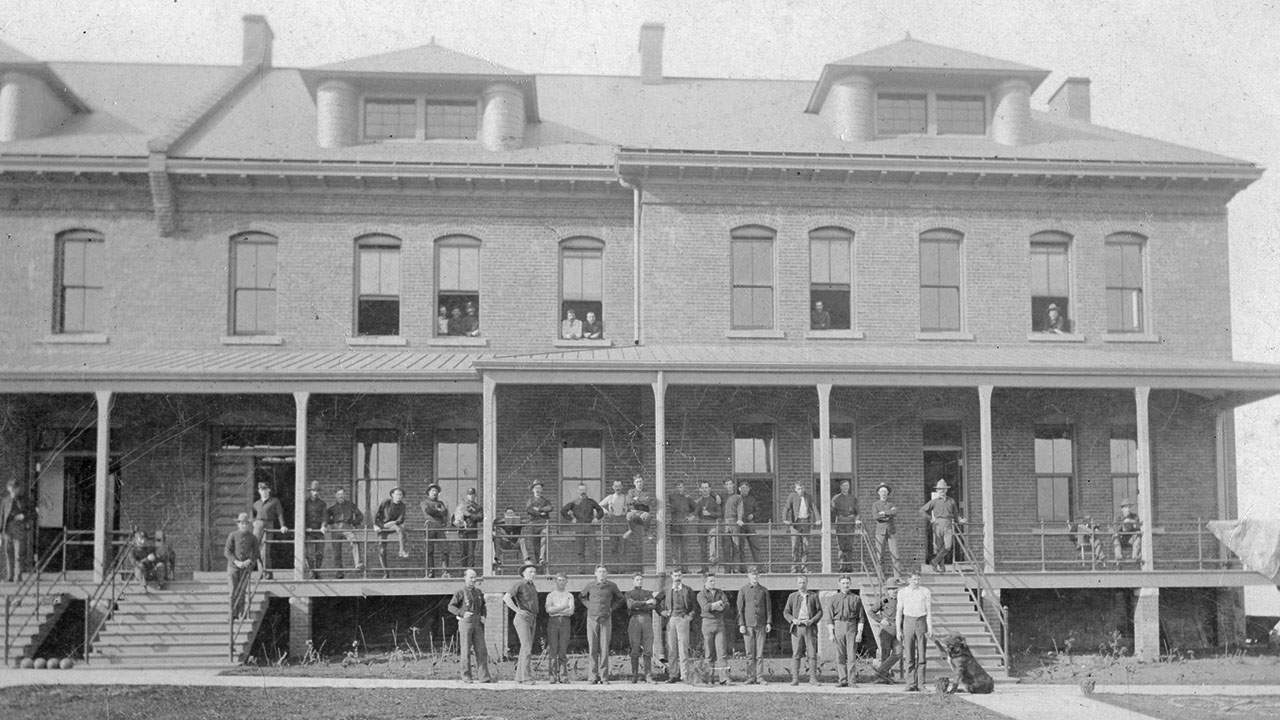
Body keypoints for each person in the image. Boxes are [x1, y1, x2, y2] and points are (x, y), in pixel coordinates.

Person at [580, 565, 625, 684]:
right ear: (595, 573)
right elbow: (582, 597)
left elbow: (621, 598)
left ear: (607, 574)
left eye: (604, 572)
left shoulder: (612, 585)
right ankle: (593, 677)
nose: (602, 574)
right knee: (592, 648)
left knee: (604, 648)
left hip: (606, 619)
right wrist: (589, 606)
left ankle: (604, 677)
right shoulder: (590, 585)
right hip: (592, 619)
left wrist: (611, 608)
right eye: (599, 571)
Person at [448, 568, 492, 683]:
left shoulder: (478, 592)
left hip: (478, 623)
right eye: (471, 577)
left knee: (481, 649)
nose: (473, 580)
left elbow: (483, 606)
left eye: (475, 577)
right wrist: (462, 613)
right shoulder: (460, 592)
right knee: (466, 650)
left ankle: (484, 677)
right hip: (466, 622)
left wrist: (483, 615)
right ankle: (466, 676)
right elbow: (451, 606)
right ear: (465, 578)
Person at [896, 572, 934, 692]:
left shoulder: (925, 591)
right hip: (908, 622)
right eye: (914, 580)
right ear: (908, 580)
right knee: (909, 654)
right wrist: (898, 630)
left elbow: (929, 611)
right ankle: (910, 683)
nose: (916, 582)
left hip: (921, 621)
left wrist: (930, 628)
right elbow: (899, 612)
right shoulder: (902, 592)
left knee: (922, 654)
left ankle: (921, 684)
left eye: (918, 579)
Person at [502, 563, 540, 684]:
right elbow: (506, 598)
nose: (533, 574)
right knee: (527, 647)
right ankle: (526, 678)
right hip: (523, 618)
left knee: (525, 648)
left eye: (534, 572)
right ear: (523, 573)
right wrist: (517, 610)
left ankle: (519, 677)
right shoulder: (519, 584)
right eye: (530, 572)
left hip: (532, 618)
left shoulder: (532, 586)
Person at [828, 575, 868, 687]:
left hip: (851, 626)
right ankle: (842, 680)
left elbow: (861, 618)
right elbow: (829, 617)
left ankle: (852, 681)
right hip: (838, 625)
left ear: (850, 584)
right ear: (839, 584)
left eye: (847, 583)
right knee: (840, 654)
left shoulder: (856, 598)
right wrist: (831, 633)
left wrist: (859, 632)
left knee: (851, 655)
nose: (845, 585)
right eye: (843, 583)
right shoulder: (833, 598)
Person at [784, 574, 824, 685]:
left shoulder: (813, 596)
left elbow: (820, 611)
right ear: (797, 584)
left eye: (804, 582)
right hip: (797, 629)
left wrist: (812, 620)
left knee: (812, 654)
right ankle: (795, 679)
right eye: (800, 582)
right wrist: (793, 620)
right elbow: (786, 612)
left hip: (809, 628)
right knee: (796, 653)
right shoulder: (792, 596)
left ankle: (813, 679)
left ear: (807, 583)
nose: (802, 585)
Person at [919, 479, 965, 573]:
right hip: (937, 525)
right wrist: (930, 518)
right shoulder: (934, 501)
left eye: (943, 489)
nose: (941, 491)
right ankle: (941, 567)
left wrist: (960, 520)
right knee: (939, 547)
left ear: (946, 490)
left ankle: (934, 561)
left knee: (948, 546)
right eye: (939, 489)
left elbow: (956, 515)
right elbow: (922, 510)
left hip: (948, 524)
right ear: (937, 490)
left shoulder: (951, 501)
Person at [662, 568, 698, 684]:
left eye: (679, 575)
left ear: (682, 577)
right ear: (671, 576)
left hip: (683, 619)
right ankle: (673, 674)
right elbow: (656, 601)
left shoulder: (688, 590)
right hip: (671, 619)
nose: (677, 578)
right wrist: (663, 612)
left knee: (683, 648)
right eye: (675, 575)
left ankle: (684, 675)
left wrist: (690, 616)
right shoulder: (667, 589)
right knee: (671, 648)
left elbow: (694, 606)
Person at [736, 568, 771, 684]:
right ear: (748, 576)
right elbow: (740, 610)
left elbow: (768, 608)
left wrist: (768, 622)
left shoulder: (764, 590)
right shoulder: (743, 590)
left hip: (761, 625)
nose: (754, 577)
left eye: (756, 575)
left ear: (759, 576)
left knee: (759, 654)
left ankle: (760, 677)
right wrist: (741, 624)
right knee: (749, 653)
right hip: (748, 626)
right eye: (752, 575)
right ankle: (750, 677)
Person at [561, 483, 604, 573]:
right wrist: (571, 519)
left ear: (586, 490)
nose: (582, 492)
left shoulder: (591, 501)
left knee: (593, 549)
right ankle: (581, 570)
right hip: (579, 527)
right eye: (580, 490)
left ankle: (595, 569)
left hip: (590, 527)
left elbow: (600, 511)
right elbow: (563, 511)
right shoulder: (574, 502)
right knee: (580, 549)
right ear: (578, 491)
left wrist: (596, 518)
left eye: (584, 490)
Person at [625, 572, 660, 682]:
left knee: (648, 648)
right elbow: (631, 605)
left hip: (647, 620)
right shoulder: (629, 593)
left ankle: (648, 675)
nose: (639, 581)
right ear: (633, 581)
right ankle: (634, 675)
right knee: (634, 647)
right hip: (634, 620)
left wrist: (640, 605)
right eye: (637, 579)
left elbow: (653, 605)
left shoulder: (648, 593)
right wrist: (645, 603)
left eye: (641, 579)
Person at [697, 572, 731, 685]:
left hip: (719, 623)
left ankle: (724, 678)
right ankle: (708, 678)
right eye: (710, 581)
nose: (713, 583)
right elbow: (706, 607)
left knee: (722, 652)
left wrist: (720, 606)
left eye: (714, 580)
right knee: (709, 653)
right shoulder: (701, 594)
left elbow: (726, 605)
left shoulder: (720, 592)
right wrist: (717, 604)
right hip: (707, 623)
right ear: (705, 582)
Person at [224, 512, 259, 619]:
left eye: (246, 523)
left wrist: (249, 560)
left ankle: (241, 613)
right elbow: (227, 551)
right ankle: (232, 614)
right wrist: (236, 562)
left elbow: (256, 553)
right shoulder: (233, 535)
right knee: (233, 591)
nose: (244, 525)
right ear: (238, 524)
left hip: (245, 567)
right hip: (233, 567)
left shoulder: (253, 537)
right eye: (242, 523)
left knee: (242, 591)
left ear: (248, 525)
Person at [870, 577, 904, 684]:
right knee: (885, 654)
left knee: (899, 652)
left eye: (895, 588)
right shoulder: (884, 600)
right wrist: (880, 620)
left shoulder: (902, 600)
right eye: (891, 589)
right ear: (888, 590)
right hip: (886, 631)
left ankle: (880, 671)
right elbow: (871, 612)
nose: (894, 591)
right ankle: (883, 678)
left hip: (898, 631)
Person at [324, 488, 365, 577]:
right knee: (336, 551)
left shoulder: (350, 505)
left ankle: (358, 563)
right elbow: (326, 518)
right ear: (336, 496)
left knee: (354, 541)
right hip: (336, 529)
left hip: (347, 527)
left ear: (345, 495)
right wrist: (330, 523)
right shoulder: (332, 508)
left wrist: (353, 522)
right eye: (339, 494)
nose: (341, 496)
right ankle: (339, 572)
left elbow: (360, 516)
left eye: (342, 494)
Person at [251, 482, 288, 579]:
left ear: (269, 490)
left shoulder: (274, 501)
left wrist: (282, 525)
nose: (263, 491)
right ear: (259, 491)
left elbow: (279, 513)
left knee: (265, 551)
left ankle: (267, 574)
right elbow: (252, 514)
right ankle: (261, 573)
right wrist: (254, 521)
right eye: (261, 490)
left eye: (265, 489)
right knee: (256, 549)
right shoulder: (256, 503)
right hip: (258, 526)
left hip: (268, 525)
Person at [783, 481, 821, 573]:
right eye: (799, 489)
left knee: (805, 546)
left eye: (802, 488)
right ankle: (794, 567)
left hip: (806, 523)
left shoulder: (808, 497)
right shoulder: (792, 496)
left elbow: (814, 507)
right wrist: (784, 519)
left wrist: (818, 519)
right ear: (795, 489)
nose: (801, 490)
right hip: (796, 524)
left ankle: (804, 567)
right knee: (795, 546)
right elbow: (786, 508)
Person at [545, 572, 575, 683]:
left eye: (563, 580)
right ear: (555, 581)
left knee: (563, 649)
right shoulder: (551, 595)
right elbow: (549, 610)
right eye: (559, 580)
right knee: (553, 649)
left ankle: (563, 676)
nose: (561, 582)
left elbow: (570, 611)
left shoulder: (569, 595)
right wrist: (563, 606)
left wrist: (556, 609)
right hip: (553, 622)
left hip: (565, 622)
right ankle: (552, 676)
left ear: (566, 582)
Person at [374, 487, 411, 576]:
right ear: (392, 495)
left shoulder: (402, 505)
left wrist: (393, 522)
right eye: (397, 494)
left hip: (392, 525)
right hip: (382, 526)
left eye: (401, 495)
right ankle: (385, 572)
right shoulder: (386, 502)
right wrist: (377, 525)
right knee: (382, 550)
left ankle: (402, 551)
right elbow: (376, 514)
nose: (399, 496)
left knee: (400, 529)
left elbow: (401, 519)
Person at [1, 478, 31, 582]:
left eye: (15, 488)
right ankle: (10, 576)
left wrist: (24, 516)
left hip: (19, 529)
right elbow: (2, 516)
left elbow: (33, 513)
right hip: (8, 530)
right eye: (11, 489)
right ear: (8, 489)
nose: (13, 491)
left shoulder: (24, 500)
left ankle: (18, 576)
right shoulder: (5, 500)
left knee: (19, 554)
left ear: (18, 489)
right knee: (8, 553)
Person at [871, 483, 902, 578]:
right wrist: (888, 515)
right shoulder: (875, 504)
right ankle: (880, 577)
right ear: (878, 493)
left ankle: (897, 577)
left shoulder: (891, 504)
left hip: (891, 532)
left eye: (885, 491)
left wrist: (883, 513)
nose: (883, 493)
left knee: (895, 555)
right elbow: (876, 516)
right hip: (880, 532)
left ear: (888, 493)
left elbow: (894, 512)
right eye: (881, 491)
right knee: (880, 555)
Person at [420, 484, 450, 577]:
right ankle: (430, 572)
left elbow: (445, 513)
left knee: (445, 549)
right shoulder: (424, 502)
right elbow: (428, 511)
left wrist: (440, 512)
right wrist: (439, 512)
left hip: (440, 528)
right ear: (428, 492)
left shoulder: (440, 503)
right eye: (433, 491)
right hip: (430, 528)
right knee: (429, 551)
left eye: (436, 491)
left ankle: (445, 572)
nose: (435, 492)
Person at [831, 480, 860, 573]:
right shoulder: (836, 498)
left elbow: (857, 512)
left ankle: (849, 567)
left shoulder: (853, 498)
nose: (845, 487)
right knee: (841, 546)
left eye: (847, 485)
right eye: (843, 486)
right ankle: (842, 567)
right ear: (840, 487)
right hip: (840, 522)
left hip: (850, 523)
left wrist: (856, 520)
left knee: (849, 545)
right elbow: (832, 512)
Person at [521, 482, 552, 568]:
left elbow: (550, 508)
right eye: (536, 488)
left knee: (544, 539)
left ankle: (542, 559)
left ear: (542, 490)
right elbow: (529, 509)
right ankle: (538, 565)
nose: (538, 490)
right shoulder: (530, 500)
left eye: (539, 488)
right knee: (535, 546)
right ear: (533, 490)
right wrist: (540, 513)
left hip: (543, 523)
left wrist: (539, 509)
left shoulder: (545, 500)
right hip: (533, 524)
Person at [666, 481, 695, 572]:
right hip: (674, 525)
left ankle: (685, 568)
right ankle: (676, 568)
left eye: (681, 487)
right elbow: (666, 507)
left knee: (684, 548)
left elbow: (696, 507)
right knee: (675, 548)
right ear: (675, 488)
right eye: (678, 487)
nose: (679, 489)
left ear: (684, 488)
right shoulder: (671, 497)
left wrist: (691, 516)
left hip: (684, 525)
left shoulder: (687, 498)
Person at [692, 481, 721, 573]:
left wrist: (710, 514)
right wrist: (692, 517)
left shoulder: (714, 500)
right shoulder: (699, 501)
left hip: (711, 524)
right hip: (701, 524)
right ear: (700, 489)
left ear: (709, 489)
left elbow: (719, 513)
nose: (704, 490)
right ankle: (704, 568)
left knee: (713, 540)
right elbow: (695, 512)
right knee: (702, 546)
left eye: (706, 488)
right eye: (703, 488)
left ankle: (712, 559)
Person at [600, 479, 630, 565]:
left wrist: (627, 511)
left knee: (622, 545)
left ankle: (622, 568)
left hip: (623, 523)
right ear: (613, 487)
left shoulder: (625, 497)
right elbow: (599, 505)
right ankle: (614, 567)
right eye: (616, 486)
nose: (618, 488)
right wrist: (607, 512)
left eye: (619, 486)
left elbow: (632, 506)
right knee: (613, 545)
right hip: (613, 523)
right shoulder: (610, 497)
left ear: (622, 487)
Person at [453, 488, 483, 571]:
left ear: (475, 496)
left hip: (472, 531)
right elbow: (455, 517)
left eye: (473, 494)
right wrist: (458, 522)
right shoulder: (462, 505)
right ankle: (463, 571)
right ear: (467, 495)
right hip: (462, 532)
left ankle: (470, 570)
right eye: (469, 494)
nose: (471, 496)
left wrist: (469, 515)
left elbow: (480, 517)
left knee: (471, 553)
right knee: (463, 552)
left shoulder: (478, 507)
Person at [303, 481, 327, 579]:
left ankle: (317, 571)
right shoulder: (305, 503)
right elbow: (302, 516)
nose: (315, 493)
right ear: (310, 491)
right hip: (309, 531)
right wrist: (305, 527)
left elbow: (324, 517)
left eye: (317, 491)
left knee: (320, 553)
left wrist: (323, 526)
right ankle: (312, 571)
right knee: (309, 553)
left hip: (319, 531)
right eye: (313, 491)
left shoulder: (322, 504)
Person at [625, 473, 656, 542]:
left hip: (643, 513)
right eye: (637, 482)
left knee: (647, 515)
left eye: (640, 481)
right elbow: (629, 501)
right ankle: (631, 530)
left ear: (643, 482)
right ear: (634, 483)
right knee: (629, 515)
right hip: (634, 512)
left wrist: (636, 499)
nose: (639, 483)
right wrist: (643, 500)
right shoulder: (631, 491)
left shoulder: (647, 492)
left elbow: (649, 501)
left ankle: (647, 531)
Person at [718, 480, 739, 572]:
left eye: (730, 484)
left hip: (735, 522)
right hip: (725, 523)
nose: (729, 486)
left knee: (736, 546)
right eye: (726, 484)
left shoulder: (737, 497)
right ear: (724, 486)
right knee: (726, 546)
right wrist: (715, 495)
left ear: (733, 485)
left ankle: (735, 568)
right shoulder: (722, 497)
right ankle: (727, 569)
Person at [1114, 499, 1142, 565]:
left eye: (1129, 507)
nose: (1128, 509)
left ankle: (1135, 556)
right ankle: (1118, 557)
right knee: (1115, 536)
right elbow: (1115, 528)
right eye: (1126, 507)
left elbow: (1138, 527)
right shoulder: (1118, 517)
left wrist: (1131, 521)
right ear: (1122, 509)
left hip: (1131, 539)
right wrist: (1123, 523)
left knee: (1138, 535)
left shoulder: (1134, 516)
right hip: (1122, 539)